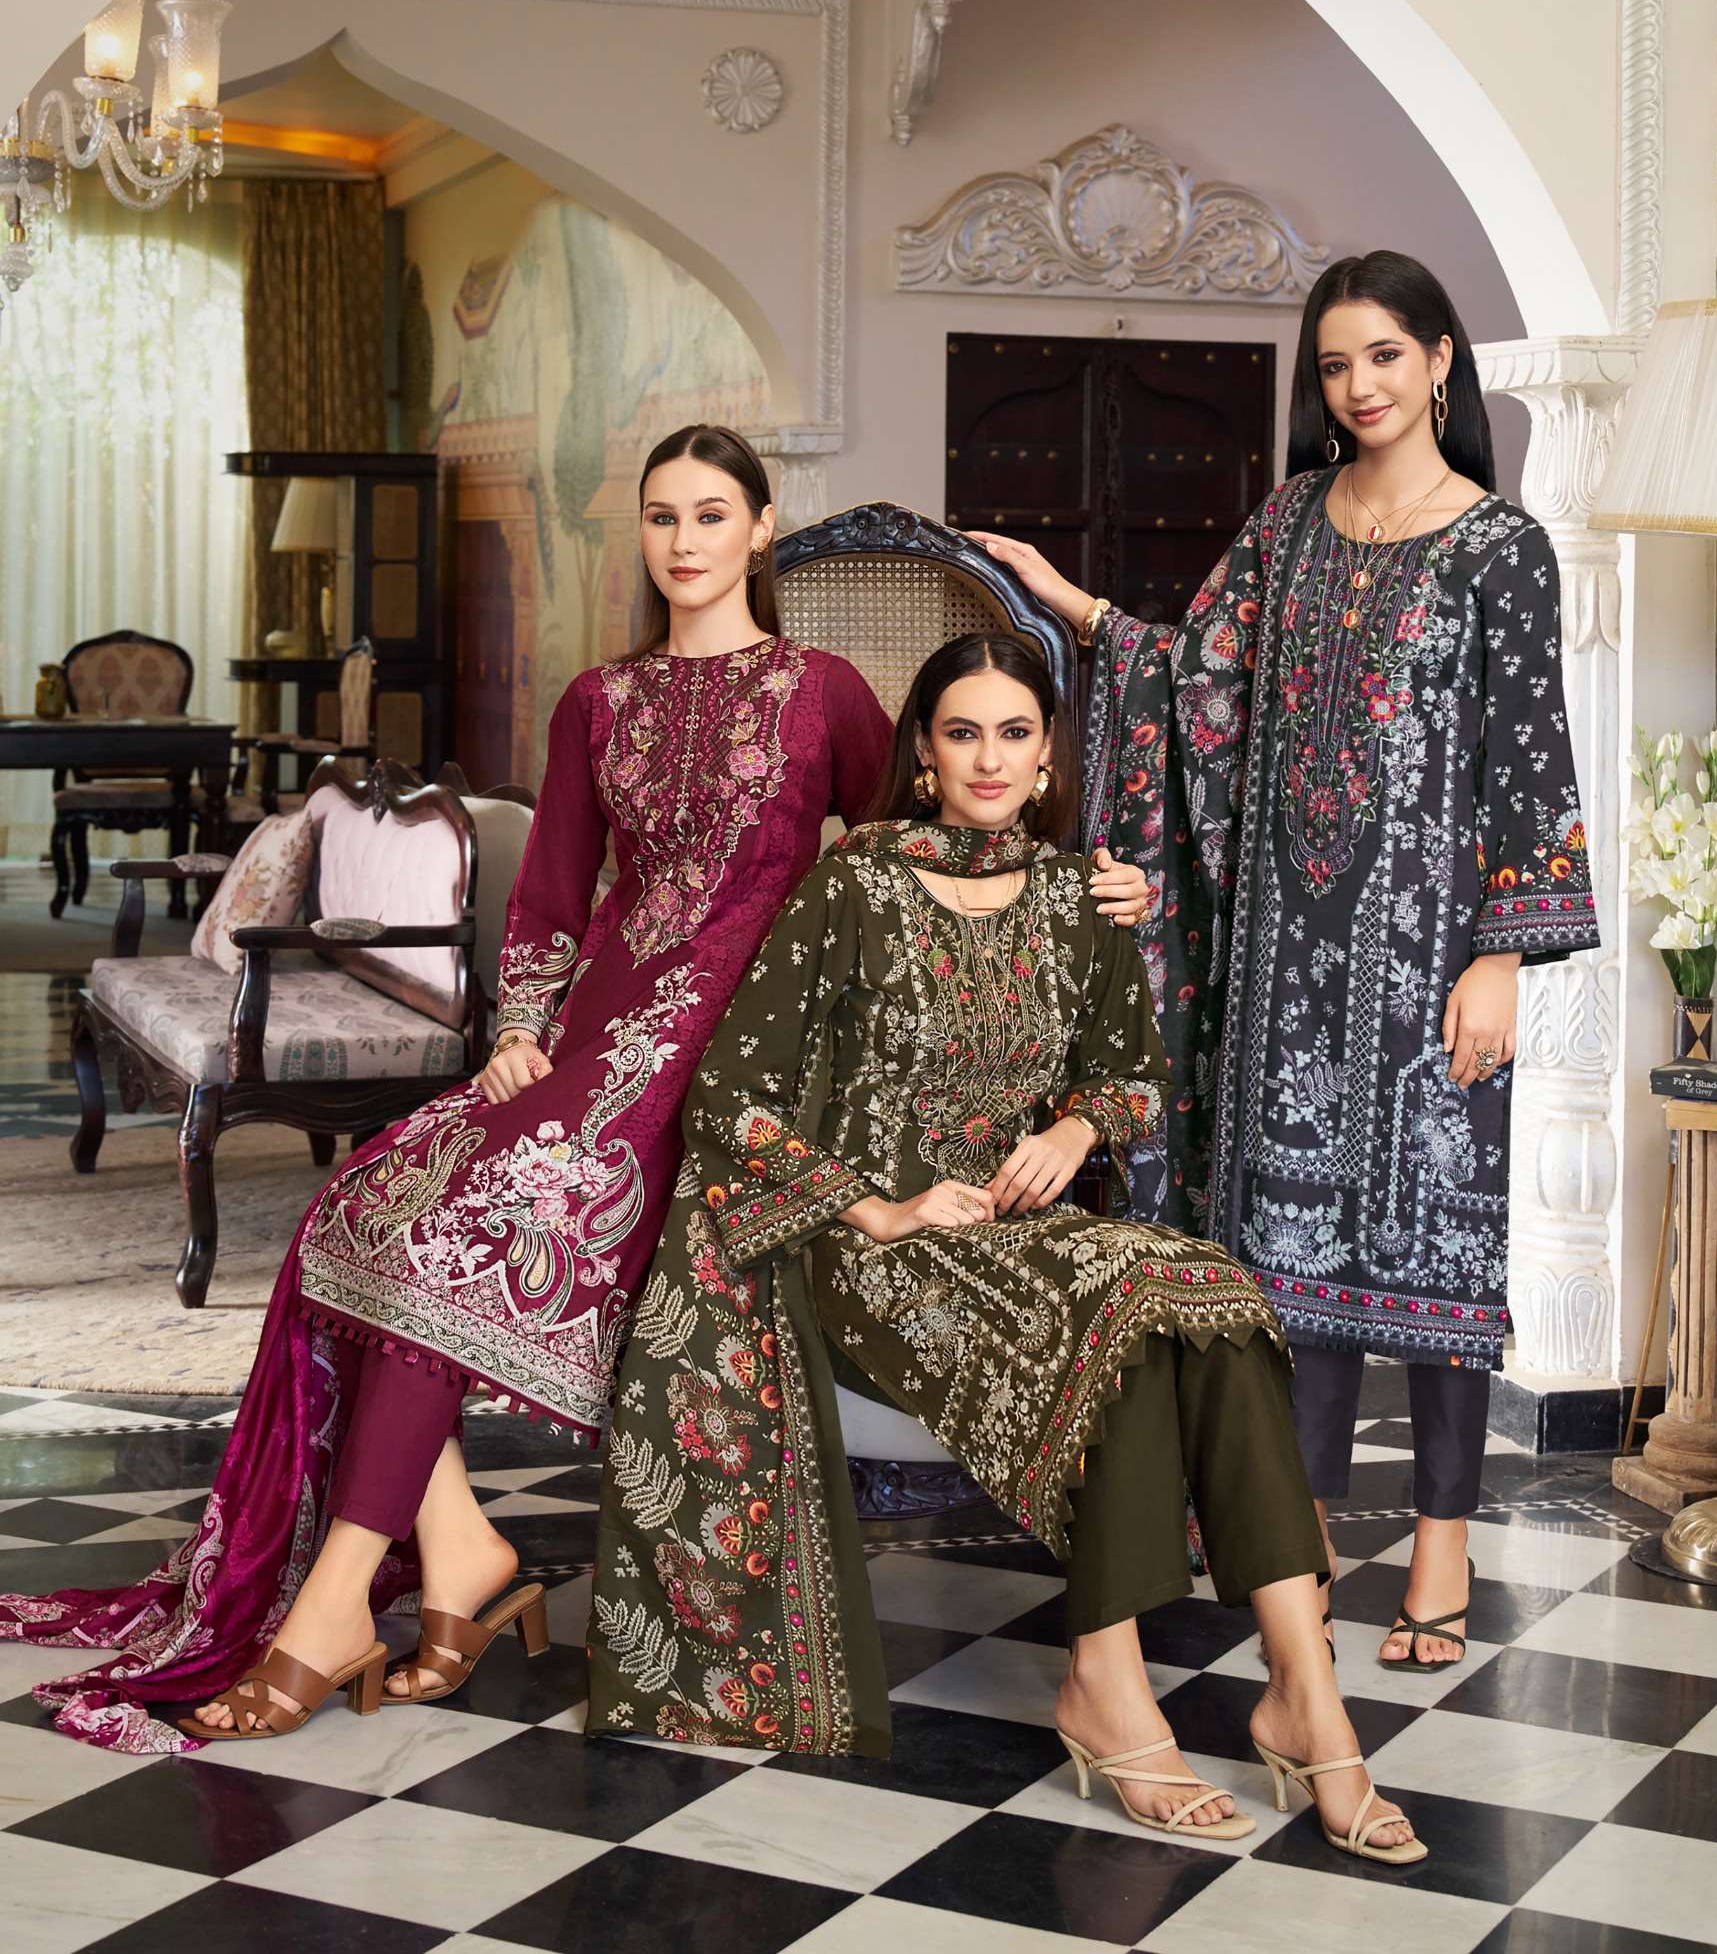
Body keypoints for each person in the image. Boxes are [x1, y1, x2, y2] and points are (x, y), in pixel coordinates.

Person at [4, 425, 1152, 1753]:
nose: (684, 540)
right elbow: (551, 895)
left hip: (739, 1059)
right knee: (360, 1208)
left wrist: (1091, 878)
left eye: (712, 514)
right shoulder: (599, 700)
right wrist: (520, 1028)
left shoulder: (821, 691)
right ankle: (461, 1550)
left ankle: (331, 1610)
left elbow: (921, 841)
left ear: (761, 529)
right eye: (662, 515)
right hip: (594, 1034)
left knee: (445, 1243)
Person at [587, 633, 1425, 1864]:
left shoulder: (1078, 898)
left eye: (1015, 733)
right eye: (963, 732)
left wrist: (1076, 1125)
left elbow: (1132, 1074)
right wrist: (875, 1210)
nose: (989, 758)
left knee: (1204, 1291)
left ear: (1046, 756)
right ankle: (1112, 1686)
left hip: (1026, 1240)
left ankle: (1306, 1697)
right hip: (871, 1252)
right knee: (1132, 1298)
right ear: (924, 754)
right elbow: (731, 1092)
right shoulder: (854, 887)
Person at [974, 252, 1598, 1675]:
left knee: (1440, 1253)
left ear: (1439, 360)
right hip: (1281, 963)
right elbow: (1193, 682)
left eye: (1382, 355)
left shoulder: (1500, 548)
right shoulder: (1284, 527)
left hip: (1432, 960)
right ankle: (1291, 1544)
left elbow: (1528, 762)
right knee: (1287, 1266)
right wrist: (1077, 607)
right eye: (1333, 365)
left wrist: (1506, 957)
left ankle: (1440, 1549)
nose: (1358, 387)